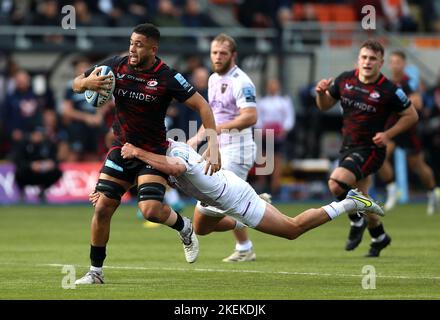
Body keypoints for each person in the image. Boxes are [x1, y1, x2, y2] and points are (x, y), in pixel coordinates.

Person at [72, 23, 221, 285]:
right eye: (131, 42)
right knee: (103, 208)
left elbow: (203, 106)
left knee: (151, 211)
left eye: (139, 44)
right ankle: (96, 272)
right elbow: (75, 84)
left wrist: (214, 144)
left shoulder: (167, 77)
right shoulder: (115, 66)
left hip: (152, 152)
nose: (132, 48)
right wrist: (87, 82)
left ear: (153, 48)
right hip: (121, 148)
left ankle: (184, 227)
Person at [99, 140, 384, 248]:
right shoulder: (169, 145)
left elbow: (175, 166)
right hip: (215, 194)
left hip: (234, 197)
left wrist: (136, 151)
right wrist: (107, 188)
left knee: (292, 229)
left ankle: (349, 202)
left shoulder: (170, 157)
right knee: (200, 226)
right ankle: (250, 212)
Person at [315, 39, 418, 257]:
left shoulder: (389, 90)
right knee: (362, 197)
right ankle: (379, 236)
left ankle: (355, 220)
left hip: (371, 149)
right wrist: (320, 93)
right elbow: (324, 106)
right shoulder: (345, 80)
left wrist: (388, 134)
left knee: (336, 183)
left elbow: (412, 115)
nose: (367, 62)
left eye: (373, 58)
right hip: (348, 146)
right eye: (364, 57)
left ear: (381, 62)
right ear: (358, 59)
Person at [187, 33, 258, 262]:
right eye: (214, 53)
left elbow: (250, 117)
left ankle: (252, 209)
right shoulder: (213, 79)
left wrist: (217, 131)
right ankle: (245, 244)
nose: (217, 57)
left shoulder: (242, 81)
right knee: (213, 212)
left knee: (202, 224)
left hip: (237, 150)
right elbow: (213, 117)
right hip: (220, 149)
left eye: (223, 53)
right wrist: (198, 139)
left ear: (233, 55)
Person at [378, 51, 440, 214]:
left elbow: (418, 104)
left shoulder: (410, 82)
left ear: (404, 64)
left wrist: (396, 103)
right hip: (392, 129)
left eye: (398, 62)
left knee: (417, 165)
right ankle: (392, 190)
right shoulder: (388, 83)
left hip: (409, 129)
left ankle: (432, 192)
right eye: (392, 62)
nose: (395, 65)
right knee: (380, 157)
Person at [255, 78, 295, 198]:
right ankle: (262, 187)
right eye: (270, 85)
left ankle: (275, 188)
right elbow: (258, 117)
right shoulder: (261, 102)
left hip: (278, 135)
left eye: (275, 85)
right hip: (264, 134)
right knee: (262, 160)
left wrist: (284, 130)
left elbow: (289, 117)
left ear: (278, 87)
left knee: (277, 160)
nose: (272, 87)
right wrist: (261, 129)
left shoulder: (284, 101)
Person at [11, 127, 62, 203]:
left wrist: (51, 164)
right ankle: (22, 192)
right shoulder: (24, 144)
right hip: (28, 173)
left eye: (40, 135)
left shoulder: (48, 145)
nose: (38, 136)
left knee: (58, 172)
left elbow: (56, 160)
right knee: (18, 172)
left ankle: (42, 191)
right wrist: (31, 165)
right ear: (32, 135)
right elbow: (18, 161)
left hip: (43, 173)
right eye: (36, 134)